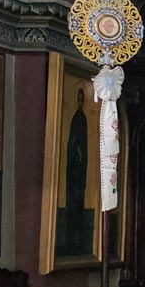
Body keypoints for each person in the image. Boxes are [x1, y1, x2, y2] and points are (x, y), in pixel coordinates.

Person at [63, 87, 88, 251]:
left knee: (78, 203)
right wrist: (74, 150)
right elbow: (72, 142)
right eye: (78, 100)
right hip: (73, 168)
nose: (79, 103)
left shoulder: (82, 118)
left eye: (81, 100)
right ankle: (70, 239)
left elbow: (83, 143)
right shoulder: (76, 118)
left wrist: (80, 153)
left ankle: (78, 238)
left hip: (79, 168)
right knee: (72, 203)